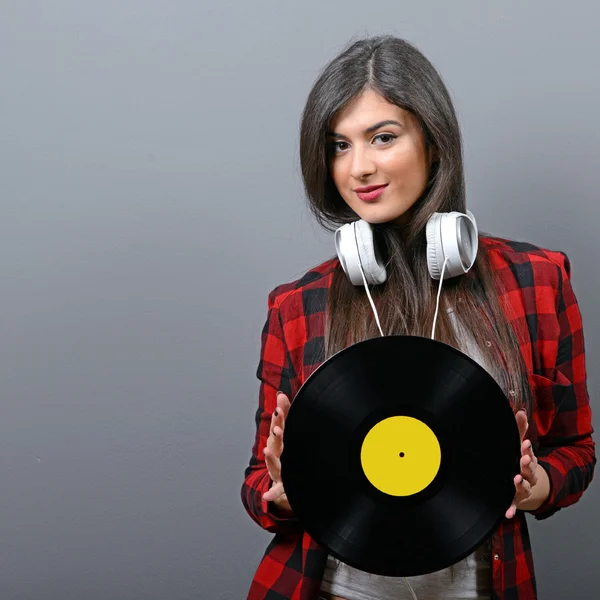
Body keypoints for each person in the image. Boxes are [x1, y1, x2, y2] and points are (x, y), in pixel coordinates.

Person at [240, 35, 595, 600]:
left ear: (433, 141)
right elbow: (258, 484)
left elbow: (576, 449)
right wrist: (281, 489)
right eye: (339, 145)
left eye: (383, 137)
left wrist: (537, 485)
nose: (359, 168)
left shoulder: (537, 283)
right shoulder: (296, 306)